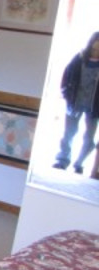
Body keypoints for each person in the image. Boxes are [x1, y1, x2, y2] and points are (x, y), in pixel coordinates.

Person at [54, 31, 99, 174]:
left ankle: (79, 163)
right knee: (69, 133)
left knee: (89, 137)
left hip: (94, 106)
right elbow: (66, 77)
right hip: (74, 102)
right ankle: (62, 160)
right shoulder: (79, 58)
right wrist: (66, 95)